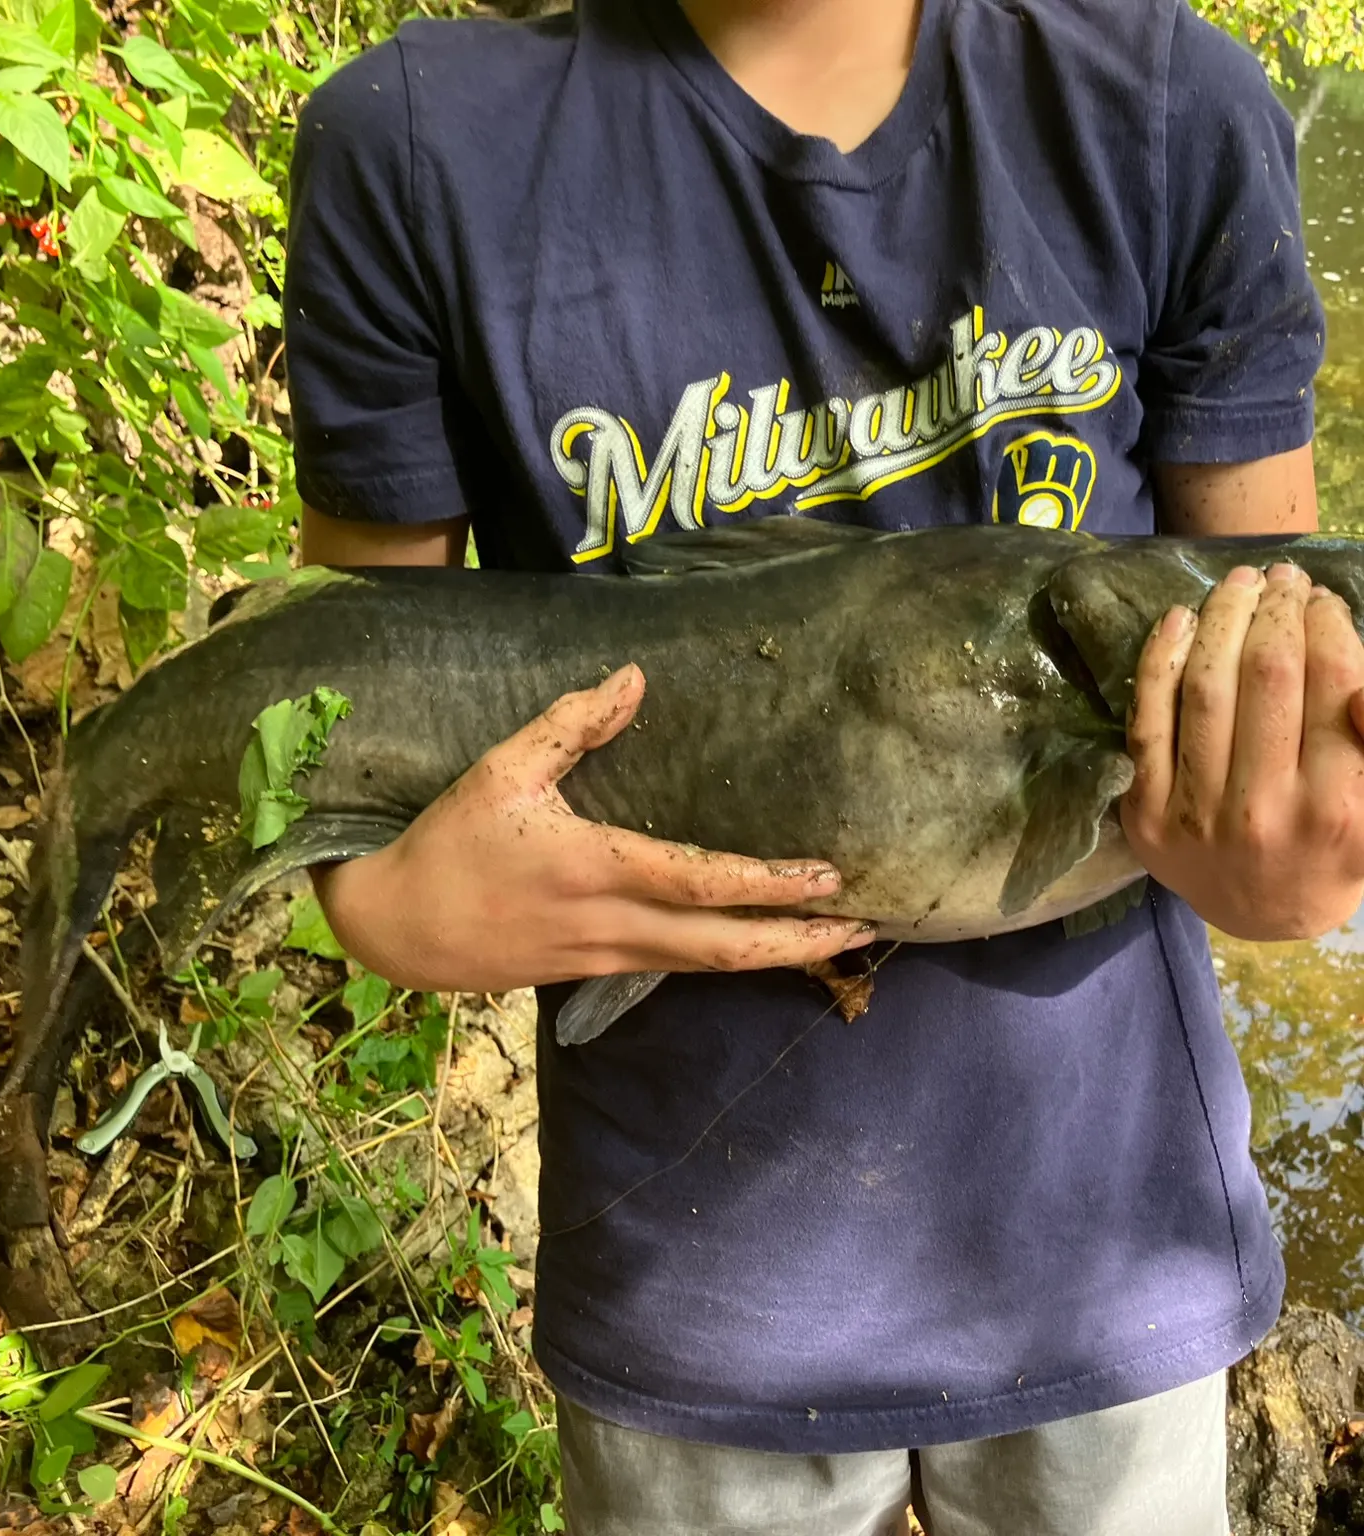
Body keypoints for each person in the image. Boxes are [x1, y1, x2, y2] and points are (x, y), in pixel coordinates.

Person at [282, 0, 1364, 1528]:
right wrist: (384, 911)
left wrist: (1296, 875)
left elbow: (1280, 657)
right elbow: (328, 681)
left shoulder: (1169, 102)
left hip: (1107, 1246)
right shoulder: (408, 145)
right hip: (692, 1285)